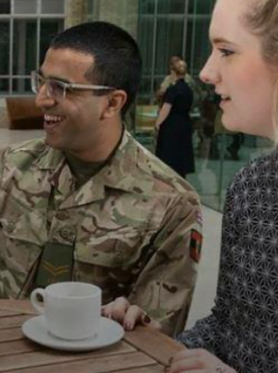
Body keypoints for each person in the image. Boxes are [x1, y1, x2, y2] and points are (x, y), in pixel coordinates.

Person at [0, 21, 202, 338]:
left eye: (60, 87)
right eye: (42, 82)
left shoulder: (171, 204)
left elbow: (154, 332)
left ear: (112, 103)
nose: (42, 99)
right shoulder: (7, 168)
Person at [104, 0, 278, 371]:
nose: (207, 71)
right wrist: (144, 336)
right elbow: (228, 331)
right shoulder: (252, 187)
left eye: (226, 51)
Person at [155, 58, 195, 178]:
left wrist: (157, 123)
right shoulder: (188, 90)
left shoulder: (173, 89)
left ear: (173, 72)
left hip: (172, 125)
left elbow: (166, 108)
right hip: (184, 123)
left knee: (169, 155)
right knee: (181, 156)